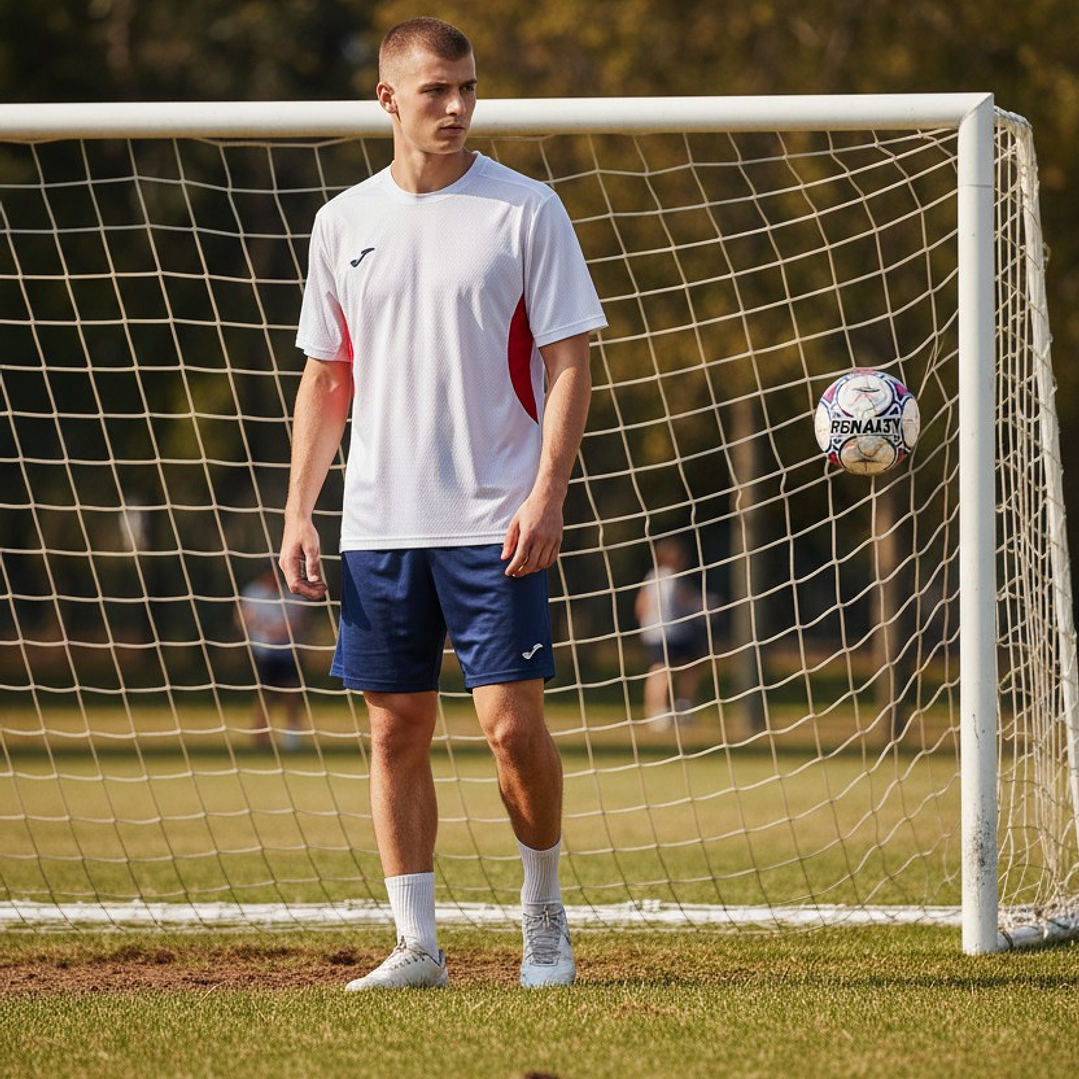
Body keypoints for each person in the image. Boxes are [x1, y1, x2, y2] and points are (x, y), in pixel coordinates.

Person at [279, 17, 606, 991]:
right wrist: (299, 510)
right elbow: (326, 377)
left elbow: (569, 359)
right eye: (436, 90)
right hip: (380, 521)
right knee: (394, 729)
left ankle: (541, 915)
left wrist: (547, 492)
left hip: (495, 516)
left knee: (510, 727)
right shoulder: (342, 221)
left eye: (466, 88)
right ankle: (417, 944)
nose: (457, 106)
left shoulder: (526, 209)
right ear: (388, 97)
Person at [634, 539, 710, 726]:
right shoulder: (671, 578)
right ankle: (666, 711)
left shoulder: (651, 577)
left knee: (680, 668)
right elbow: (684, 600)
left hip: (663, 633)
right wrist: (704, 606)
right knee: (664, 671)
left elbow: (640, 606)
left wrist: (646, 627)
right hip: (669, 632)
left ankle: (666, 710)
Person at [237, 561, 308, 750]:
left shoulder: (292, 592)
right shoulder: (253, 592)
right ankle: (260, 734)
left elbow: (300, 620)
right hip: (264, 651)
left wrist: (283, 630)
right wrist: (261, 628)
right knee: (264, 695)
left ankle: (292, 736)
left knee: (291, 693)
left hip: (288, 652)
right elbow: (242, 617)